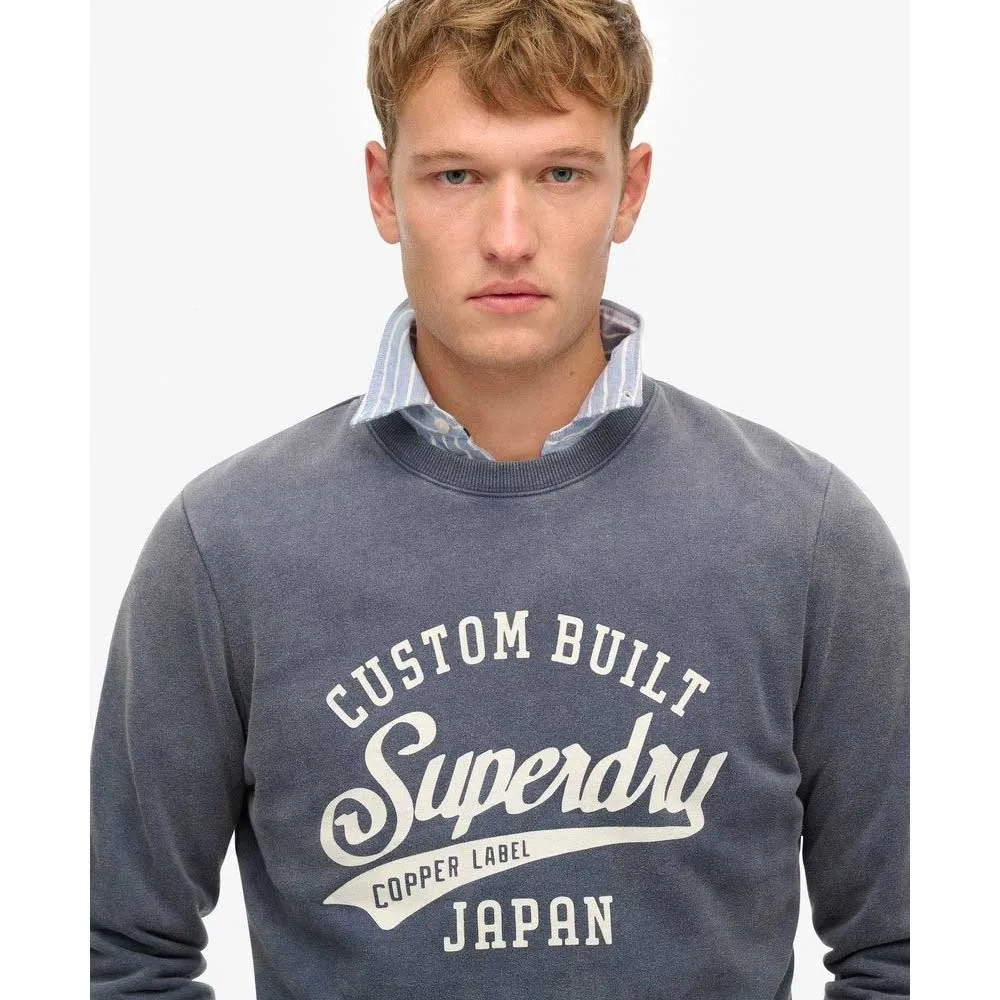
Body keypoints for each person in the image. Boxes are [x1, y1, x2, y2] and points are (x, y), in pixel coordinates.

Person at [90, 1, 909, 997]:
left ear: (630, 190)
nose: (509, 237)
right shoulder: (226, 548)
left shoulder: (806, 539)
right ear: (383, 191)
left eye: (561, 173)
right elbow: (116, 953)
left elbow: (909, 953)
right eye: (456, 176)